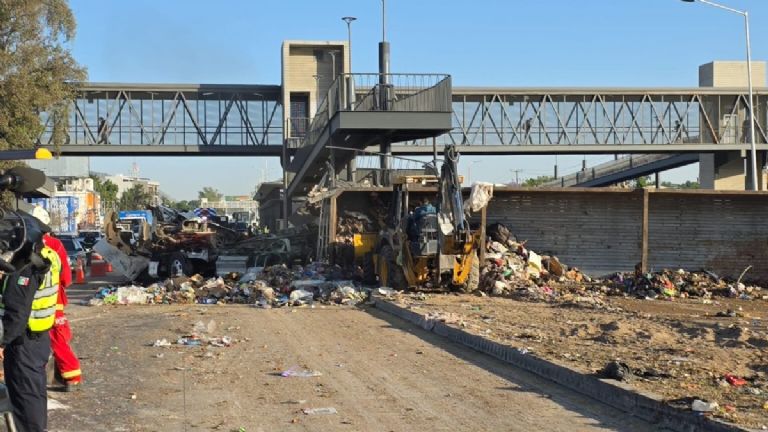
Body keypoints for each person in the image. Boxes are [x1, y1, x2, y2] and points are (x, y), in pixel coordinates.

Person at [0, 221, 60, 432]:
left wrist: (1, 342)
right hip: (39, 339)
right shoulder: (49, 255)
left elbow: (17, 313)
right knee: (34, 395)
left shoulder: (24, 268)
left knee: (25, 399)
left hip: (23, 342)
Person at [42, 230, 82, 391]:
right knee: (58, 338)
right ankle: (71, 377)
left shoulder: (16, 240)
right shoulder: (54, 244)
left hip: (24, 301)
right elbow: (66, 278)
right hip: (52, 300)